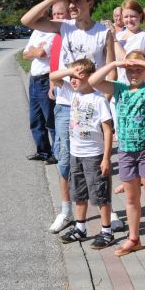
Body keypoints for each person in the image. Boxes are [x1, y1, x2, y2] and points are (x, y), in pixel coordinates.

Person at [21, 0, 118, 234]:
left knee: (98, 160)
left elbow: (111, 71)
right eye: (70, 2)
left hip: (94, 106)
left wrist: (103, 101)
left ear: (90, 3)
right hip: (66, 105)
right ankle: (66, 212)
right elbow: (27, 20)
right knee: (66, 160)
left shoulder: (103, 33)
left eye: (77, 1)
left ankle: (107, 211)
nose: (72, 6)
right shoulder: (64, 27)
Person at [89, 51, 145, 257]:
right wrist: (115, 64)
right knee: (131, 198)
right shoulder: (119, 89)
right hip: (126, 151)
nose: (134, 73)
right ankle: (134, 238)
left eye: (139, 70)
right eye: (130, 70)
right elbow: (93, 81)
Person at [49, 58, 116, 249]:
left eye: (78, 77)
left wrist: (106, 158)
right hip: (75, 154)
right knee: (78, 193)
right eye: (71, 77)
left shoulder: (99, 99)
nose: (73, 80)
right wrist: (70, 72)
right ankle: (80, 228)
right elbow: (53, 76)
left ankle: (106, 231)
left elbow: (108, 130)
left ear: (90, 77)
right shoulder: (72, 93)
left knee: (100, 193)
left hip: (94, 155)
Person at [22, 7, 62, 163]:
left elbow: (41, 53)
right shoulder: (36, 32)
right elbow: (25, 55)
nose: (38, 19)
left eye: (41, 16)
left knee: (50, 119)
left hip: (46, 79)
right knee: (35, 119)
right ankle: (43, 151)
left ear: (47, 16)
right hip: (34, 80)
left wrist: (34, 50)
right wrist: (34, 50)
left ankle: (57, 153)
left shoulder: (53, 32)